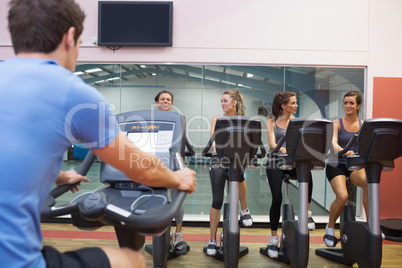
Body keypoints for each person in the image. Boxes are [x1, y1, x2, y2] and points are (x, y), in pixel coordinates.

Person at [0, 1, 196, 268]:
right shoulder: (73, 93)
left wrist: (60, 176)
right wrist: (177, 178)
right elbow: (142, 169)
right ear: (70, 38)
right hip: (13, 261)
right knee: (132, 260)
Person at [264, 91, 315, 259]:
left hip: (291, 162)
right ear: (283, 106)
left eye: (296, 103)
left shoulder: (296, 122)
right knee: (277, 199)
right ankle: (273, 239)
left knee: (307, 172)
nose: (296, 105)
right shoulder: (271, 121)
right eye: (293, 103)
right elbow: (272, 143)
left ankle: (307, 214)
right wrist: (281, 147)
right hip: (275, 162)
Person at [205, 89, 253, 256]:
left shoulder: (243, 121)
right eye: (221, 101)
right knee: (217, 200)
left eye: (225, 100)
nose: (222, 103)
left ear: (234, 102)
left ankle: (244, 210)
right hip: (219, 159)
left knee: (239, 173)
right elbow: (213, 141)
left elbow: (248, 143)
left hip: (236, 159)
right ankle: (212, 239)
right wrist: (221, 151)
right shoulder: (217, 119)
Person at [324, 90, 368, 247]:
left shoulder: (364, 125)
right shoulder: (337, 123)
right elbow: (334, 142)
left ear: (358, 106)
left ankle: (371, 227)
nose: (348, 106)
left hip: (354, 165)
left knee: (368, 184)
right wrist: (343, 149)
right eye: (345, 103)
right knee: (342, 197)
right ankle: (329, 228)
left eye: (351, 103)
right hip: (337, 164)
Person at [154, 90, 186, 250]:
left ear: (172, 103)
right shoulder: (151, 118)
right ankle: (162, 232)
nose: (165, 101)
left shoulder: (178, 119)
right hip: (156, 163)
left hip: (174, 163)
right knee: (159, 198)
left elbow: (182, 140)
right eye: (162, 99)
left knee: (177, 200)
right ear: (157, 102)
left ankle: (178, 234)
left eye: (168, 99)